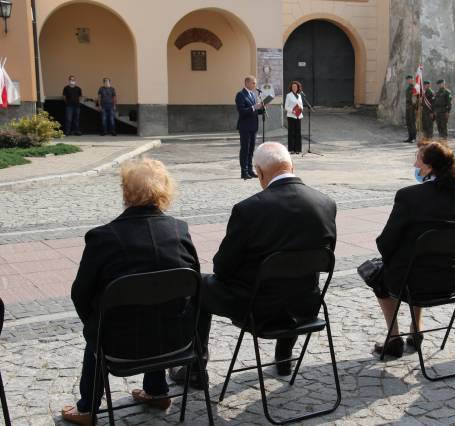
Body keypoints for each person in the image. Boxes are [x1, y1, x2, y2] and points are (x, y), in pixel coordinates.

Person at [61, 159, 204, 425]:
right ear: (165, 190)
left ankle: (87, 408)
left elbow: (80, 294)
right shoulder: (179, 230)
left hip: (118, 344)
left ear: (125, 191)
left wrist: (97, 323)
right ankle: (157, 390)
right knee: (159, 306)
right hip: (177, 340)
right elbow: (193, 284)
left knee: (100, 324)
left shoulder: (102, 237)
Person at [199, 142, 337, 375]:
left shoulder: (249, 209)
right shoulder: (326, 203)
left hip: (257, 309)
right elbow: (325, 256)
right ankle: (284, 358)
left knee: (198, 285)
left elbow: (222, 267)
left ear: (260, 172)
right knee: (294, 277)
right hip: (305, 306)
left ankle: (195, 368)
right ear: (291, 165)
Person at [368, 142, 455, 357]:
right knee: (417, 261)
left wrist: (393, 257)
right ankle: (416, 330)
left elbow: (385, 242)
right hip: (453, 278)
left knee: (378, 272)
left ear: (428, 167)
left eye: (417, 159)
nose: (414, 164)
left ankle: (393, 338)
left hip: (415, 281)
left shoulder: (409, 196)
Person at [236, 75, 265, 180]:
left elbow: (255, 111)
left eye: (255, 83)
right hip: (245, 126)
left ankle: (250, 170)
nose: (255, 85)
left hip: (253, 126)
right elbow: (242, 111)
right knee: (245, 149)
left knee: (251, 149)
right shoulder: (240, 95)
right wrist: (254, 107)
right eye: (253, 83)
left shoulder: (253, 95)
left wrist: (262, 107)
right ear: (247, 83)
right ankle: (243, 172)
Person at [285, 80, 304, 154]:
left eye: (295, 87)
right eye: (293, 87)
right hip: (291, 116)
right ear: (291, 88)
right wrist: (292, 111)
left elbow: (301, 104)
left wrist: (301, 108)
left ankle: (298, 149)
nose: (294, 88)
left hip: (298, 116)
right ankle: (291, 149)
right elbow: (286, 107)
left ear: (298, 87)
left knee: (298, 132)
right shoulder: (288, 95)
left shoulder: (299, 95)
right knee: (291, 133)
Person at [404, 75, 417, 143]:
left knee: (412, 123)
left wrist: (415, 108)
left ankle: (414, 138)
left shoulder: (415, 87)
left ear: (412, 79)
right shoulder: (408, 88)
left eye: (410, 79)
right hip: (408, 107)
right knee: (408, 122)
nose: (408, 80)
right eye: (407, 79)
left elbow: (416, 99)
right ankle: (410, 137)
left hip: (412, 108)